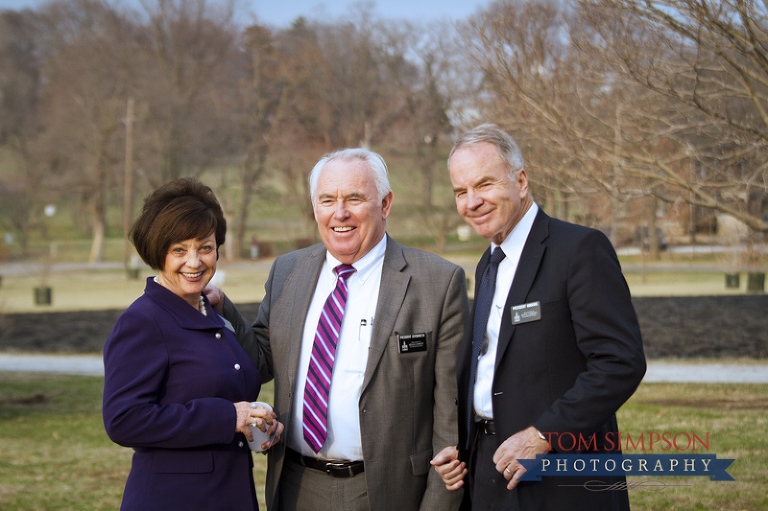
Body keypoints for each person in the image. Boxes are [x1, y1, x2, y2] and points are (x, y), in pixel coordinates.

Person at [216, 148, 467, 511]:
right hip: (296, 486)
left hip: (387, 492)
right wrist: (222, 307)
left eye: (354, 198)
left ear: (385, 204)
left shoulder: (437, 283)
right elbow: (263, 360)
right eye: (327, 200)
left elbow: (450, 414)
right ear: (314, 207)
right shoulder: (287, 271)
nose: (340, 212)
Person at [431, 124, 646, 510]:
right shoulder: (488, 264)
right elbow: (489, 370)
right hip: (489, 471)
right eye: (461, 192)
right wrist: (462, 447)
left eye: (484, 185)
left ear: (521, 181)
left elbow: (620, 363)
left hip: (560, 477)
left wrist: (544, 435)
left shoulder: (579, 249)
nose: (472, 202)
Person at [102, 178, 282, 511]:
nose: (195, 261)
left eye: (205, 247)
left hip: (229, 496)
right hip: (173, 499)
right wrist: (229, 417)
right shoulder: (143, 321)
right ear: (158, 252)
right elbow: (124, 419)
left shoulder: (209, 310)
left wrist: (256, 422)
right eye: (179, 250)